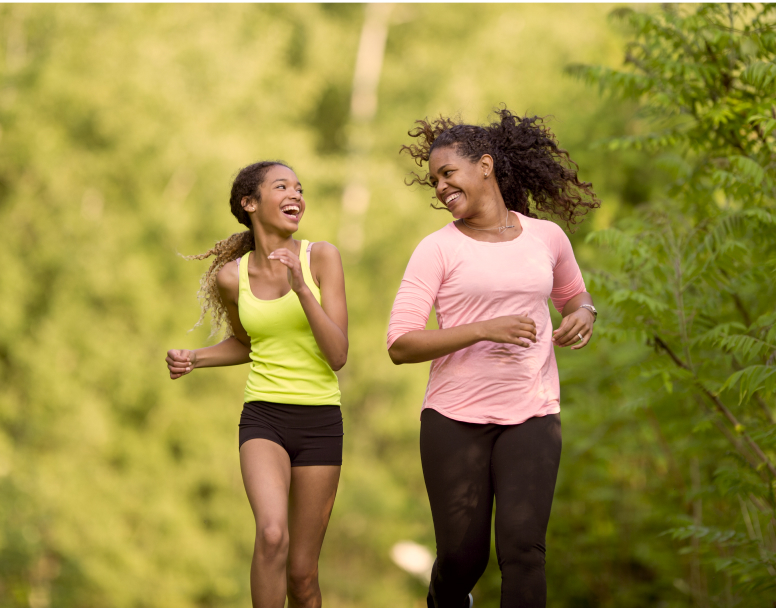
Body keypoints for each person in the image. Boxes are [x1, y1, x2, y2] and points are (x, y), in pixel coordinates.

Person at [387, 108, 601, 608]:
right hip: (454, 417)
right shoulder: (435, 249)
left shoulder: (547, 237)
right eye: (434, 180)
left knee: (524, 551)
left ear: (485, 166)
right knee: (463, 558)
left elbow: (575, 295)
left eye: (448, 174)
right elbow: (400, 343)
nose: (440, 188)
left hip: (533, 411)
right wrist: (483, 329)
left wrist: (585, 313)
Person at [165, 161, 348, 608]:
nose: (296, 195)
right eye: (281, 186)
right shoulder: (232, 278)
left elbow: (338, 354)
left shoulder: (321, 257)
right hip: (264, 417)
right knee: (270, 534)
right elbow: (248, 343)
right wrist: (196, 358)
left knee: (302, 576)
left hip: (320, 421)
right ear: (249, 204)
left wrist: (302, 288)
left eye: (299, 188)